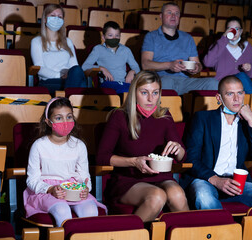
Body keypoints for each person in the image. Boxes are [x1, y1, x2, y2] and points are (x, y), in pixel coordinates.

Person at [96, 70, 189, 223]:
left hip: (161, 177)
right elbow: (102, 157)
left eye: (155, 93)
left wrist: (178, 149)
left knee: (177, 195)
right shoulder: (119, 116)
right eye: (144, 92)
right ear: (134, 93)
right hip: (129, 179)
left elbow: (183, 156)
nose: (151, 99)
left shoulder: (165, 116)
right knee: (157, 196)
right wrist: (134, 161)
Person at [180, 75, 252, 210]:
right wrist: (216, 180)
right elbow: (191, 158)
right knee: (204, 197)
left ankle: (247, 229)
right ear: (219, 98)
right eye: (230, 94)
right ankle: (225, 229)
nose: (236, 99)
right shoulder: (202, 118)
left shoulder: (246, 123)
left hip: (236, 182)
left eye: (240, 93)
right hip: (206, 179)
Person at [23, 97, 106, 227]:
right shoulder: (39, 146)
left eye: (69, 117)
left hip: (73, 189)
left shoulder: (79, 145)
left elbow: (84, 176)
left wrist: (85, 188)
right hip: (47, 191)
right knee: (62, 210)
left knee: (90, 211)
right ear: (49, 122)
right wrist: (50, 189)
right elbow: (32, 179)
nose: (65, 122)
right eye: (59, 118)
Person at [141, 2, 218, 96]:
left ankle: (202, 110)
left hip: (185, 81)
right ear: (161, 16)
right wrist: (169, 65)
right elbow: (145, 64)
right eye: (169, 12)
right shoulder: (151, 36)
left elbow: (198, 64)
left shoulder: (188, 38)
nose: (173, 16)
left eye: (177, 13)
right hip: (161, 79)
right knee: (166, 82)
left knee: (213, 83)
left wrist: (196, 68)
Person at [31, 4, 87, 95]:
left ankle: (65, 102)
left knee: (77, 71)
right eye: (53, 16)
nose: (56, 19)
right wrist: (60, 75)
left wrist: (69, 75)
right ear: (45, 19)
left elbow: (74, 65)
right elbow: (39, 68)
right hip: (49, 81)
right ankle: (70, 102)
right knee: (82, 84)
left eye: (59, 17)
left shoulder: (68, 41)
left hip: (70, 79)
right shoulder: (36, 41)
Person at [203, 16, 252, 94]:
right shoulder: (219, 45)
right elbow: (208, 62)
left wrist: (250, 68)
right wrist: (223, 39)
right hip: (223, 86)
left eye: (237, 29)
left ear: (241, 31)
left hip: (240, 89)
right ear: (226, 31)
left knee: (241, 76)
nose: (234, 32)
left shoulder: (246, 47)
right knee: (241, 77)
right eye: (230, 29)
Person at [82, 21, 140, 94]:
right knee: (126, 92)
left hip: (124, 83)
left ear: (120, 36)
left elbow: (136, 67)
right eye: (110, 35)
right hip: (107, 83)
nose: (114, 38)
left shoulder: (126, 50)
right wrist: (101, 68)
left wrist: (132, 72)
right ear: (103, 37)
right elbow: (84, 66)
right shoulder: (98, 49)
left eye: (117, 36)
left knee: (138, 91)